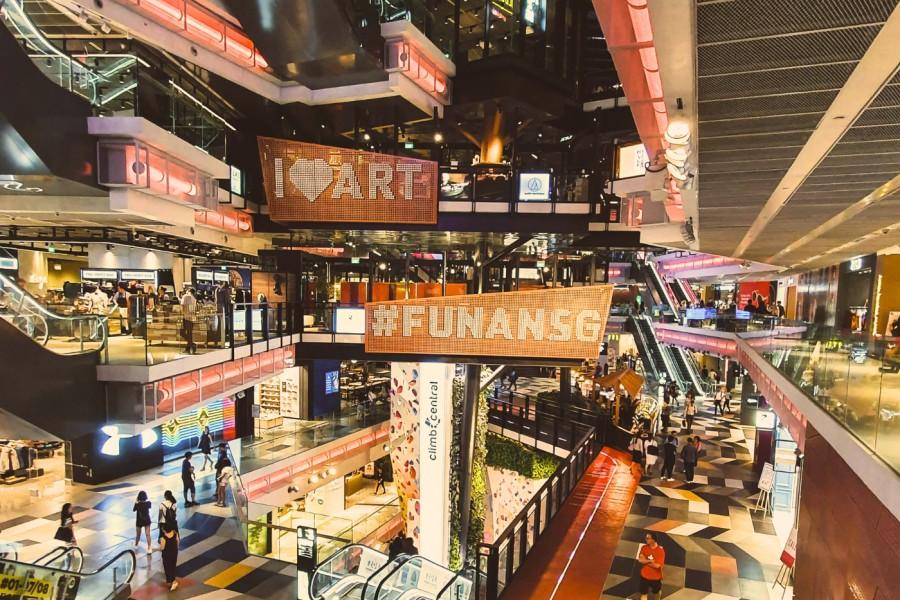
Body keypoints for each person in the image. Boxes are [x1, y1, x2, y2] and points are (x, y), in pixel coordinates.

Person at [637, 531, 665, 600]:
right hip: (644, 575)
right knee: (643, 594)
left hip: (655, 578)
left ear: (653, 540)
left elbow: (657, 566)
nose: (645, 539)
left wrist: (645, 561)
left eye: (648, 538)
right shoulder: (644, 547)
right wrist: (650, 561)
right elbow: (640, 560)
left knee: (656, 593)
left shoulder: (660, 551)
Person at [159, 523, 180, 591]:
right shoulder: (174, 533)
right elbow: (178, 541)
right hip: (174, 552)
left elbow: (162, 548)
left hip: (166, 555)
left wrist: (154, 549)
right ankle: (172, 581)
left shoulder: (163, 537)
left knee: (167, 567)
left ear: (164, 530)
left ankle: (171, 581)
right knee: (173, 566)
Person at [180, 288, 197, 353]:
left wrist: (182, 314)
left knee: (181, 332)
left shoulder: (185, 296)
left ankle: (191, 343)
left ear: (188, 291)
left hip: (185, 317)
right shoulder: (194, 299)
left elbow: (182, 306)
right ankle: (188, 347)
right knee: (189, 333)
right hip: (192, 318)